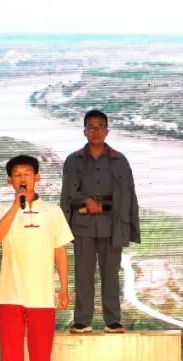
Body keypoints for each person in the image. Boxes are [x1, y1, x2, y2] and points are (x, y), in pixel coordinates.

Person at [0, 155, 73, 361]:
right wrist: (17, 205)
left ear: (37, 177)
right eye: (17, 175)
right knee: (11, 360)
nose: (22, 178)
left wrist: (64, 287)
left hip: (41, 297)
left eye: (27, 173)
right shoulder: (2, 209)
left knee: (40, 359)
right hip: (9, 295)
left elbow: (60, 250)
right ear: (9, 180)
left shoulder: (52, 212)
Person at [60, 109, 141, 334]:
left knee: (111, 275)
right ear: (84, 131)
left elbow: (129, 194)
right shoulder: (73, 160)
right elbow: (67, 192)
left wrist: (128, 226)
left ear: (107, 131)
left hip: (111, 225)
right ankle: (82, 321)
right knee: (83, 275)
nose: (95, 132)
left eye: (100, 127)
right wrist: (85, 199)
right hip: (82, 225)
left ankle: (113, 320)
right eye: (91, 127)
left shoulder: (119, 160)